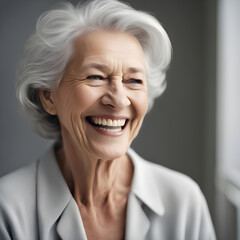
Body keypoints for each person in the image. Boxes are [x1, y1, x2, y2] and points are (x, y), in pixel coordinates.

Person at [0, 0, 216, 239]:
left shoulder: (184, 202)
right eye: (95, 76)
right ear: (49, 97)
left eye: (134, 81)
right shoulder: (7, 209)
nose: (119, 100)